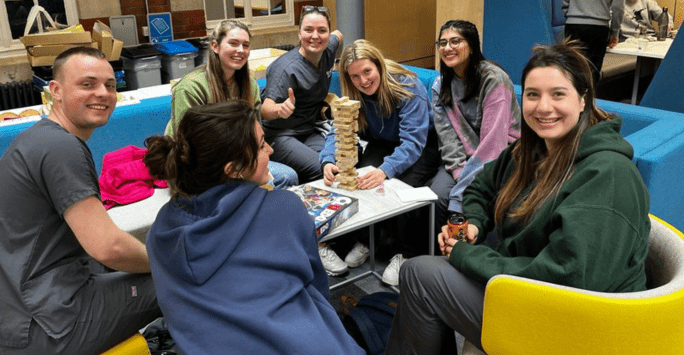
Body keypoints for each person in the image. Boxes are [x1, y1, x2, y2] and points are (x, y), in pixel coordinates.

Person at [385, 39, 651, 354]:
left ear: (584, 100)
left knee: (420, 274)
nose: (543, 107)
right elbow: (481, 185)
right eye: (533, 95)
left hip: (580, 323)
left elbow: (569, 277)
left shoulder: (607, 175)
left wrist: (468, 256)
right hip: (534, 290)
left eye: (558, 94)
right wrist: (474, 223)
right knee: (424, 271)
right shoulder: (531, 149)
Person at [144, 100, 365, 355]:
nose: (270, 149)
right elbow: (317, 286)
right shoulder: (284, 207)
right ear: (234, 169)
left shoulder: (161, 229)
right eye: (261, 145)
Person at [0, 47, 161, 355]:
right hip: (46, 324)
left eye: (110, 85)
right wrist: (166, 263)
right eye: (87, 84)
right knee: (183, 278)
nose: (103, 93)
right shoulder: (61, 147)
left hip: (18, 310)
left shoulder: (35, 138)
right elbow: (108, 246)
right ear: (55, 91)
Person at [318, 39, 440, 283]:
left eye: (367, 71)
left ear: (379, 66)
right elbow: (339, 130)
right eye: (354, 76)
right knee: (359, 179)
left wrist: (386, 170)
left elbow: (413, 142)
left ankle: (406, 254)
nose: (363, 81)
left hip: (421, 145)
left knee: (398, 190)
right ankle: (366, 241)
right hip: (383, 142)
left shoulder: (407, 85)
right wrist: (328, 160)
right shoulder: (354, 92)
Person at [164, 19, 297, 189]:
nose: (240, 50)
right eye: (233, 43)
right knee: (262, 185)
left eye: (246, 45)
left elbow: (254, 133)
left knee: (287, 177)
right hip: (195, 165)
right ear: (214, 46)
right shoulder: (190, 88)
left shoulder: (249, 85)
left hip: (237, 160)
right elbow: (188, 147)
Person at [429, 20, 520, 233]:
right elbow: (447, 137)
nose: (447, 47)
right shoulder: (440, 85)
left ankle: (473, 256)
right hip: (462, 159)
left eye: (455, 41)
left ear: (471, 46)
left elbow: (494, 144)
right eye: (442, 43)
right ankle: (443, 255)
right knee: (438, 195)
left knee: (473, 199)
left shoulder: (494, 79)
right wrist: (460, 172)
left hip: (501, 156)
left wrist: (464, 186)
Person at [260, 5, 343, 183]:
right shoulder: (285, 69)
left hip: (309, 130)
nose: (315, 36)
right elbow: (264, 109)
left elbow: (339, 35)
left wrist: (338, 64)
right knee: (321, 170)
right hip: (280, 135)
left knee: (336, 164)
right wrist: (279, 109)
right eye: (308, 30)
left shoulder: (328, 50)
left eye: (322, 30)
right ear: (299, 34)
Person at [563, 0, 624, 85]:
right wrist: (614, 31)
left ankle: (571, 96)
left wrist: (571, 15)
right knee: (592, 71)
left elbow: (565, 3)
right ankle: (588, 97)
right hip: (598, 26)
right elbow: (618, 8)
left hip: (573, 25)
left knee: (571, 68)